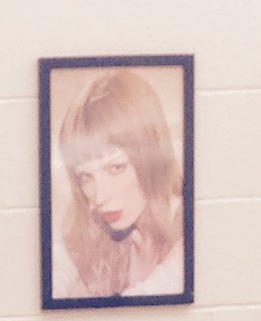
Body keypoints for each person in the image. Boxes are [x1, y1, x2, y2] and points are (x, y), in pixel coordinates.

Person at [51, 66, 186, 299]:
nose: (99, 197)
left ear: (152, 157)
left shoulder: (192, 227)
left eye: (116, 167)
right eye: (86, 176)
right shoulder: (95, 227)